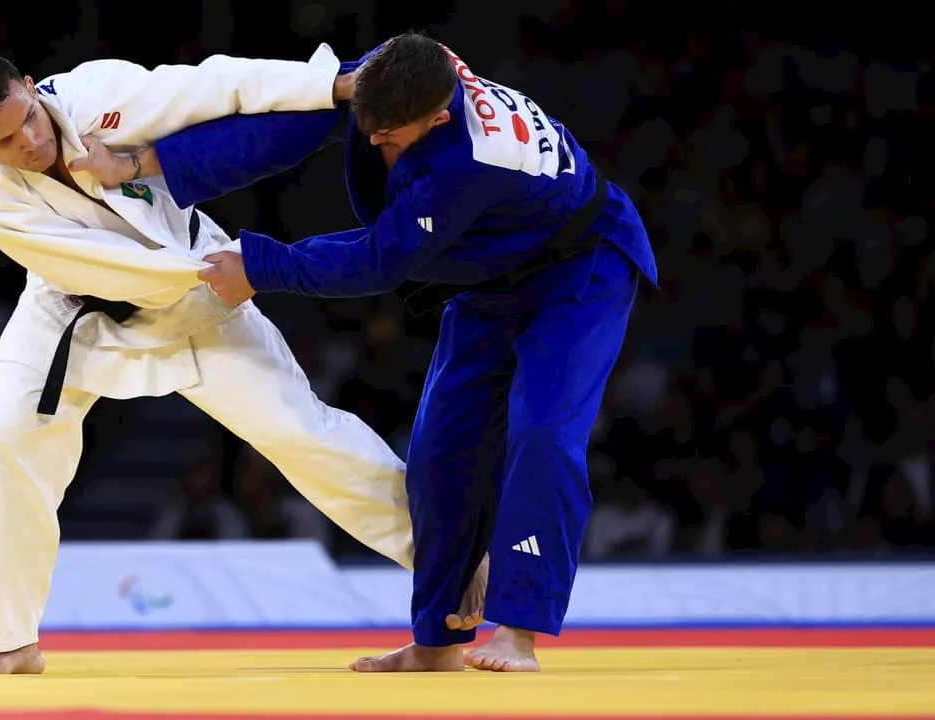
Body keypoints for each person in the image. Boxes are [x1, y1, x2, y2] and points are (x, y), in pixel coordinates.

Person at [78, 33, 659, 672]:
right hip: (493, 271)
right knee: (438, 450)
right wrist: (145, 163)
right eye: (368, 127)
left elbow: (380, 259)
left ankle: (517, 633)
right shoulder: (384, 78)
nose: (376, 141)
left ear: (439, 117)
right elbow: (282, 129)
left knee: (543, 430)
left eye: (393, 135)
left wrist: (262, 264)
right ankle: (436, 642)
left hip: (581, 266)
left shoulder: (464, 162)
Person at [0, 47, 488, 676]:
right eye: (6, 141)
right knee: (5, 441)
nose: (31, 141)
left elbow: (216, 86)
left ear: (34, 89)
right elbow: (96, 265)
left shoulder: (96, 94)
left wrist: (331, 85)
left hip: (202, 295)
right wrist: (231, 269)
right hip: (78, 311)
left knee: (302, 433)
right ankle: (9, 640)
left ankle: (454, 555)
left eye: (30, 118)